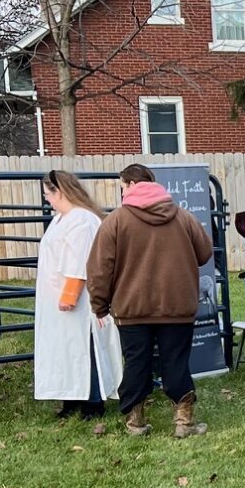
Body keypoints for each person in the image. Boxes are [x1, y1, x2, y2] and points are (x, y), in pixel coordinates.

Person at [87, 162, 213, 439]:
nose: (121, 194)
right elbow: (204, 253)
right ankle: (184, 422)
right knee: (176, 361)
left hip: (132, 307)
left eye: (122, 187)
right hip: (177, 305)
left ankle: (136, 423)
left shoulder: (116, 222)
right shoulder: (184, 217)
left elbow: (99, 269)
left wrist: (99, 304)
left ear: (131, 186)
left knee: (136, 363)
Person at [35, 170, 121, 421]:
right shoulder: (62, 219)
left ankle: (93, 401)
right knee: (67, 350)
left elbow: (79, 260)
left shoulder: (82, 220)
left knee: (85, 348)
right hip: (56, 299)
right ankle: (71, 397)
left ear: (59, 192)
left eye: (48, 194)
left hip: (79, 300)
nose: (47, 200)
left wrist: (69, 294)